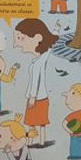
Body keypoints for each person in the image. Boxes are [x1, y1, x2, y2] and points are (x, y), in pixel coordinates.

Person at [14, 18, 59, 148]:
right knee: (35, 122)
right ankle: (36, 142)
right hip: (38, 97)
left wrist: (32, 96)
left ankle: (37, 142)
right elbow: (50, 46)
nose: (17, 44)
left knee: (35, 122)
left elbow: (35, 81)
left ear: (37, 38)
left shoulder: (38, 62)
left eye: (21, 38)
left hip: (37, 98)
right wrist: (56, 29)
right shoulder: (40, 59)